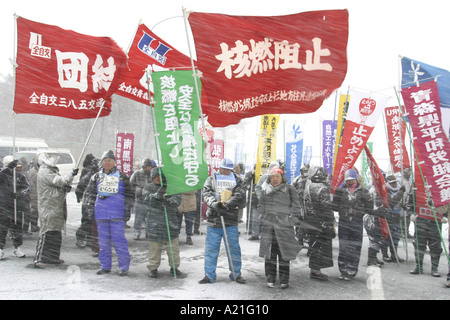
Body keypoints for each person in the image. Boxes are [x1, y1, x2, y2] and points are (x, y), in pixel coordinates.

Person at [199, 158, 246, 284]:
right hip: (214, 219)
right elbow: (206, 194)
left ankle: (236, 274)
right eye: (223, 168)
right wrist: (215, 204)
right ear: (219, 168)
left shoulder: (238, 180)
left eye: (227, 169)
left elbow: (240, 195)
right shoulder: (211, 179)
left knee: (233, 248)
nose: (225, 171)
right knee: (211, 248)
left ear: (231, 170)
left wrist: (226, 205)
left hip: (230, 218)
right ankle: (209, 275)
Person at [85, 150, 133, 276]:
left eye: (110, 160)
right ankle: (105, 266)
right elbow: (90, 194)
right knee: (103, 242)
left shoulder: (122, 176)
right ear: (101, 162)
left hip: (117, 214)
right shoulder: (96, 177)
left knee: (119, 241)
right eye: (105, 160)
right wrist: (90, 208)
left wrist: (127, 208)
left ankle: (123, 267)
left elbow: (129, 195)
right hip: (101, 214)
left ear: (114, 162)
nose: (107, 163)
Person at [258, 166, 302, 289]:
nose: (275, 179)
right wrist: (262, 218)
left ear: (282, 177)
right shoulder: (265, 190)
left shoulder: (289, 189)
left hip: (284, 227)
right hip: (268, 227)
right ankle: (270, 278)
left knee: (284, 254)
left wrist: (290, 220)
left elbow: (296, 207)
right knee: (270, 254)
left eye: (277, 176)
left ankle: (284, 279)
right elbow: (261, 206)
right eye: (272, 177)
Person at [33, 153, 78, 268]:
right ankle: (39, 259)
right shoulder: (45, 171)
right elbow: (60, 181)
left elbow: (57, 186)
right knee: (47, 233)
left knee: (55, 233)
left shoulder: (50, 171)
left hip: (55, 206)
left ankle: (52, 257)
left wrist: (64, 188)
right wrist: (71, 173)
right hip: (49, 207)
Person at [332, 168, 373, 280]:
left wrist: (358, 212)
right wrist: (342, 209)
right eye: (348, 180)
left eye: (352, 180)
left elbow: (369, 207)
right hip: (344, 222)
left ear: (356, 179)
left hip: (356, 223)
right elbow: (334, 206)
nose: (350, 182)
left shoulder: (363, 191)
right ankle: (343, 270)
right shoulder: (340, 191)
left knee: (355, 247)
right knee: (344, 247)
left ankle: (352, 270)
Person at [143, 168, 182, 278]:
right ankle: (153, 267)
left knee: (173, 247)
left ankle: (174, 266)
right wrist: (156, 197)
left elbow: (177, 200)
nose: (158, 178)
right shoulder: (148, 187)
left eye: (160, 176)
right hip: (154, 221)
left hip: (170, 221)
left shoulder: (172, 187)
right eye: (155, 176)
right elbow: (146, 199)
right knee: (155, 247)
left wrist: (168, 201)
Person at [303, 166, 336, 281]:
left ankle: (314, 269)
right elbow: (326, 207)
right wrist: (331, 221)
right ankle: (316, 271)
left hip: (311, 221)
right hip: (321, 223)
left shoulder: (308, 186)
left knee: (314, 245)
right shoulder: (322, 188)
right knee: (321, 246)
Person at [0, 156, 27, 260]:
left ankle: (17, 248)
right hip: (3, 205)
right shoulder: (2, 175)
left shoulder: (19, 176)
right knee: (2, 228)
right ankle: (0, 249)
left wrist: (19, 194)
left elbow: (27, 187)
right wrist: (7, 169)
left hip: (17, 205)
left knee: (17, 227)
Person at [75, 154, 99, 248]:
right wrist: (79, 197)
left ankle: (90, 239)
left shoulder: (102, 175)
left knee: (93, 221)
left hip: (96, 202)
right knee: (87, 221)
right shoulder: (90, 175)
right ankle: (80, 237)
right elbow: (80, 187)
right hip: (88, 202)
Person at [381, 173, 406, 263]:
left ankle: (394, 254)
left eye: (395, 182)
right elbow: (392, 202)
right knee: (387, 235)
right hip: (388, 216)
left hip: (397, 215)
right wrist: (401, 192)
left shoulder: (399, 189)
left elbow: (400, 202)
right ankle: (385, 255)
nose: (394, 184)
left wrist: (405, 205)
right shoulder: (386, 191)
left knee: (395, 236)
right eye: (392, 183)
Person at [130, 158, 155, 240]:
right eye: (146, 166)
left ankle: (149, 233)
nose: (148, 168)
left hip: (150, 201)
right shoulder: (137, 174)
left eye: (149, 166)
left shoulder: (153, 174)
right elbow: (131, 184)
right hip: (139, 200)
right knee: (138, 219)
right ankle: (137, 233)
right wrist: (137, 190)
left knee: (150, 219)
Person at [292, 164, 310, 248]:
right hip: (298, 204)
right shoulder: (297, 180)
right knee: (298, 223)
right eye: (303, 171)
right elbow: (292, 189)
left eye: (306, 171)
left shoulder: (311, 180)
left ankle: (306, 239)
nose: (305, 172)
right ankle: (299, 240)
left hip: (308, 205)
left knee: (306, 224)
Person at [243, 166, 260, 240]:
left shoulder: (267, 174)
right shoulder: (251, 174)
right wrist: (251, 177)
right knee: (253, 216)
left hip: (264, 200)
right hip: (253, 198)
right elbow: (245, 184)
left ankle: (259, 232)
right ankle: (252, 231)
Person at [28, 155, 40, 233]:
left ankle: (34, 225)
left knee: (35, 211)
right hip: (34, 194)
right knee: (34, 211)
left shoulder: (33, 171)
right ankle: (33, 225)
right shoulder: (34, 172)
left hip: (35, 194)